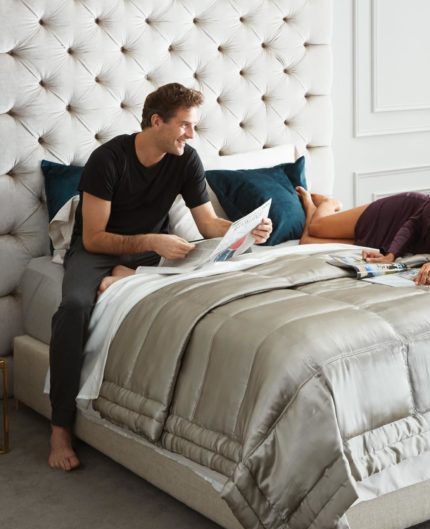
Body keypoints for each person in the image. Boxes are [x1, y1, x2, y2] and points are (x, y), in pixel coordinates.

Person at [48, 83, 273, 472]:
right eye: (185, 125)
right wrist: (153, 239)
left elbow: (206, 223)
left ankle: (129, 276)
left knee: (206, 273)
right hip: (98, 252)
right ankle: (60, 428)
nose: (191, 134)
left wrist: (243, 229)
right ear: (157, 122)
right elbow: (94, 236)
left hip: (153, 251)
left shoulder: (186, 159)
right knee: (74, 307)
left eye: (193, 126)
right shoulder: (108, 159)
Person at [299, 123, 430, 285]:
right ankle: (327, 202)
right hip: (398, 215)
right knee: (316, 227)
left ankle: (311, 208)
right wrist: (391, 255)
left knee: (307, 243)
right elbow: (414, 222)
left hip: (407, 250)